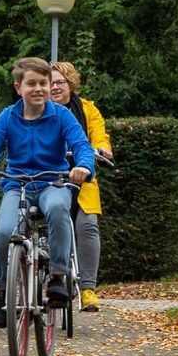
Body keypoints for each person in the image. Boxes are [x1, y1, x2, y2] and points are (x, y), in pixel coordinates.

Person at [0, 57, 95, 329]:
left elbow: (80, 143)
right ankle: (4, 291)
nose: (38, 89)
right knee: (3, 233)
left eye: (43, 83)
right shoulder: (8, 116)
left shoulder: (61, 115)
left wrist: (83, 165)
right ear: (18, 87)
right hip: (17, 184)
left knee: (59, 209)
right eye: (31, 84)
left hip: (52, 182)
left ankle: (58, 277)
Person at [50, 61, 113, 313]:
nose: (55, 87)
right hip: (50, 176)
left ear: (71, 84)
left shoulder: (87, 109)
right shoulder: (40, 110)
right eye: (51, 83)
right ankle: (52, 275)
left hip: (82, 175)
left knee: (87, 225)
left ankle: (88, 288)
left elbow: (98, 134)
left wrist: (102, 147)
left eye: (60, 82)